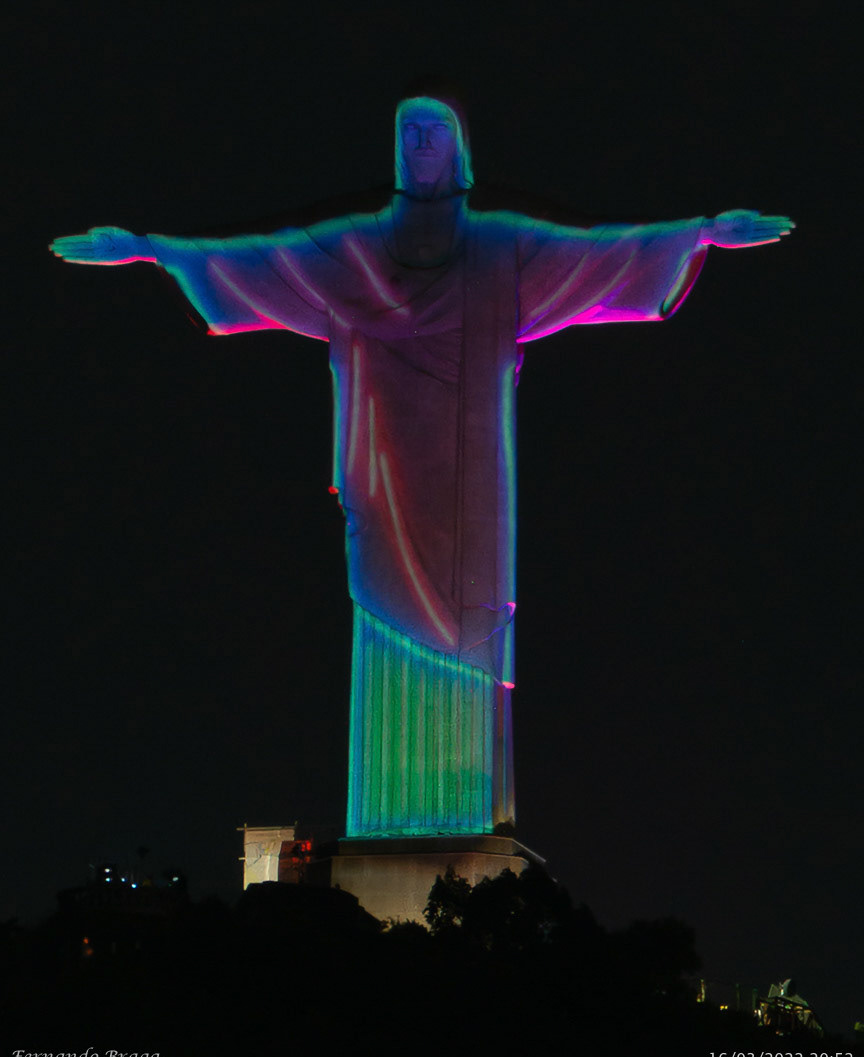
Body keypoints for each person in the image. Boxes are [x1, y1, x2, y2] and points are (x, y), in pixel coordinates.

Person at [50, 96, 794, 839]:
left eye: (434, 129)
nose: (419, 140)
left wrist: (701, 234)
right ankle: (394, 822)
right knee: (382, 612)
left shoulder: (501, 248)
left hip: (471, 494)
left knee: (470, 632)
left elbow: (601, 252)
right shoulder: (353, 251)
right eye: (407, 129)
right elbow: (258, 259)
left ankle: (465, 821)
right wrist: (151, 248)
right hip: (385, 473)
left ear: (460, 144)